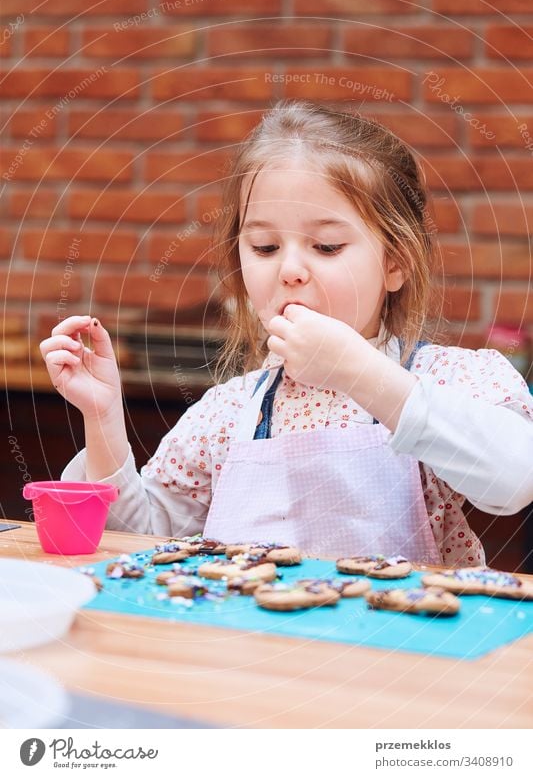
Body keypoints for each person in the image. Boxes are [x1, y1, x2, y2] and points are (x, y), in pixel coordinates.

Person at [40, 100, 533, 565]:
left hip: (393, 653)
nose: (291, 269)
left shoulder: (444, 380)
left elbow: (515, 479)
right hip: (247, 652)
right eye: (265, 245)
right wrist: (103, 418)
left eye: (325, 245)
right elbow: (141, 537)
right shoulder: (227, 413)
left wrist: (362, 374)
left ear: (396, 264)